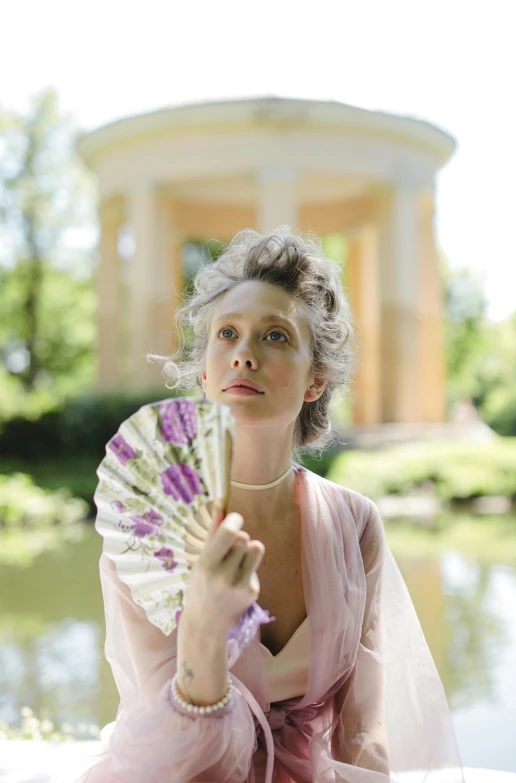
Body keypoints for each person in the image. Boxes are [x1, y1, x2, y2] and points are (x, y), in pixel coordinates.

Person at [77, 227, 466, 782]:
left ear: (316, 380)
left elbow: (361, 731)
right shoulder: (151, 522)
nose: (242, 355)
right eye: (226, 334)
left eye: (275, 336)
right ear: (206, 371)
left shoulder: (355, 523)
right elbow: (169, 749)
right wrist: (206, 632)